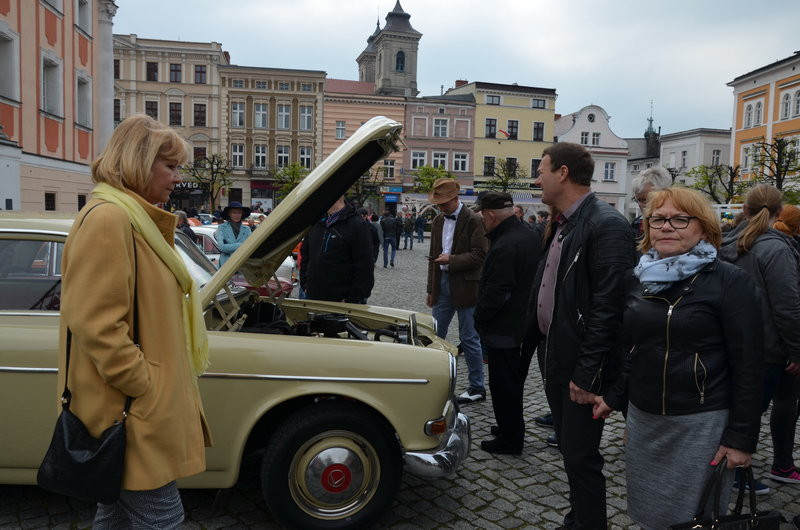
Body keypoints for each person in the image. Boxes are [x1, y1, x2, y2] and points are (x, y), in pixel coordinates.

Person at [59, 114, 211, 528]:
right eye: (170, 166)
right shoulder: (112, 219)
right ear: (139, 162)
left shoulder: (133, 218)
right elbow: (97, 323)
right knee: (162, 518)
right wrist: (145, 383)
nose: (178, 178)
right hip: (128, 411)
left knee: (114, 513)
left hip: (130, 409)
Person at [594, 187, 764, 528]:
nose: (666, 227)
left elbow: (749, 366)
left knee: (695, 516)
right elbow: (633, 348)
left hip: (701, 421)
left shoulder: (731, 282)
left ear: (703, 227)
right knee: (648, 512)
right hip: (645, 418)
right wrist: (616, 398)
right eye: (658, 219)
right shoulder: (638, 278)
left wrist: (741, 440)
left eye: (679, 219)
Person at [525, 142, 634, 529]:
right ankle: (579, 518)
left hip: (580, 365)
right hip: (556, 354)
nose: (536, 177)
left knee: (582, 457)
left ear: (563, 173)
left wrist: (587, 375)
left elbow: (609, 308)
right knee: (571, 452)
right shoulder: (564, 220)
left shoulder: (606, 225)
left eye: (541, 169)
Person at [719, 184, 800, 493]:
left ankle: (735, 471)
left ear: (745, 209)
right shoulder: (775, 248)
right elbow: (788, 308)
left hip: (731, 341)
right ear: (778, 212)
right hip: (765, 348)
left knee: (738, 411)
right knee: (749, 414)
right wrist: (797, 350)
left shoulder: (728, 242)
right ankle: (737, 474)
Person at [473, 192, 542, 455]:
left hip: (506, 329)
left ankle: (511, 438)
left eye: (482, 215)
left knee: (505, 386)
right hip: (519, 325)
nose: (481, 220)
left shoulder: (506, 244)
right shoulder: (523, 234)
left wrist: (479, 317)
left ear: (490, 216)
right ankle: (507, 427)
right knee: (508, 383)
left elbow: (497, 292)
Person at [426, 178, 488, 404]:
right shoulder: (437, 221)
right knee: (433, 336)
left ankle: (477, 387)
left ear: (455, 199)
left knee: (469, 338)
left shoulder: (473, 220)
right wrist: (431, 289)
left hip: (467, 285)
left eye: (444, 203)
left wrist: (451, 260)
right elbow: (433, 257)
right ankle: (432, 381)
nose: (441, 208)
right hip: (442, 285)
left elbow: (480, 255)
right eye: (438, 204)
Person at [300, 196, 374, 303]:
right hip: (313, 298)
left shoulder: (357, 224)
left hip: (342, 303)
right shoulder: (316, 222)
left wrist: (352, 298)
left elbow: (365, 266)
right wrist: (305, 284)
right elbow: (305, 254)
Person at [630, 166, 672, 240]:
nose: (641, 205)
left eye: (646, 200)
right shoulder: (637, 224)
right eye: (638, 200)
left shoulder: (679, 224)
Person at [214, 201, 251, 266]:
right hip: (226, 265)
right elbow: (222, 247)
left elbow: (250, 247)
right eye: (234, 213)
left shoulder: (247, 229)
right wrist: (242, 245)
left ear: (242, 214)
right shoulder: (222, 228)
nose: (237, 215)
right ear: (229, 213)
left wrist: (229, 247)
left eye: (239, 213)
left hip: (242, 265)